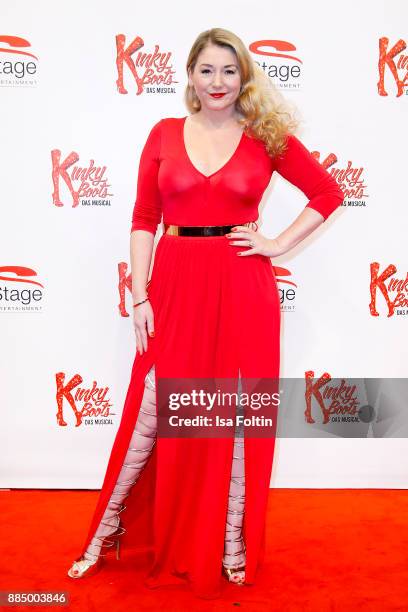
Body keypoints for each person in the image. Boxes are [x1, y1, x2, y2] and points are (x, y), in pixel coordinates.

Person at [67, 27, 344, 599]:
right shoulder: (164, 133)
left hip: (243, 287)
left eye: (229, 71)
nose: (218, 82)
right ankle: (104, 533)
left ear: (243, 77)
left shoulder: (266, 136)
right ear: (190, 75)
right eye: (206, 70)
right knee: (152, 412)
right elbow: (144, 217)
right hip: (174, 286)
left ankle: (232, 546)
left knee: (237, 418)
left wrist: (278, 244)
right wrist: (139, 295)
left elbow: (327, 193)